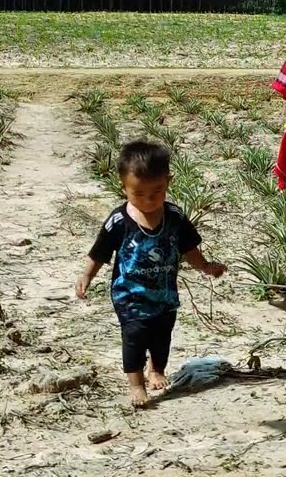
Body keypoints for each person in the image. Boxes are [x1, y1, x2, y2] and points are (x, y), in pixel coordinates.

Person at [75, 140, 227, 406]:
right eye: (139, 193)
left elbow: (189, 248)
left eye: (157, 192)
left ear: (168, 181)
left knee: (162, 335)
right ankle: (136, 385)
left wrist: (205, 266)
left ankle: (156, 368)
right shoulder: (119, 221)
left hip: (165, 294)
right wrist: (87, 276)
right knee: (134, 336)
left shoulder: (175, 217)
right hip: (129, 295)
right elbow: (100, 251)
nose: (149, 200)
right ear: (124, 188)